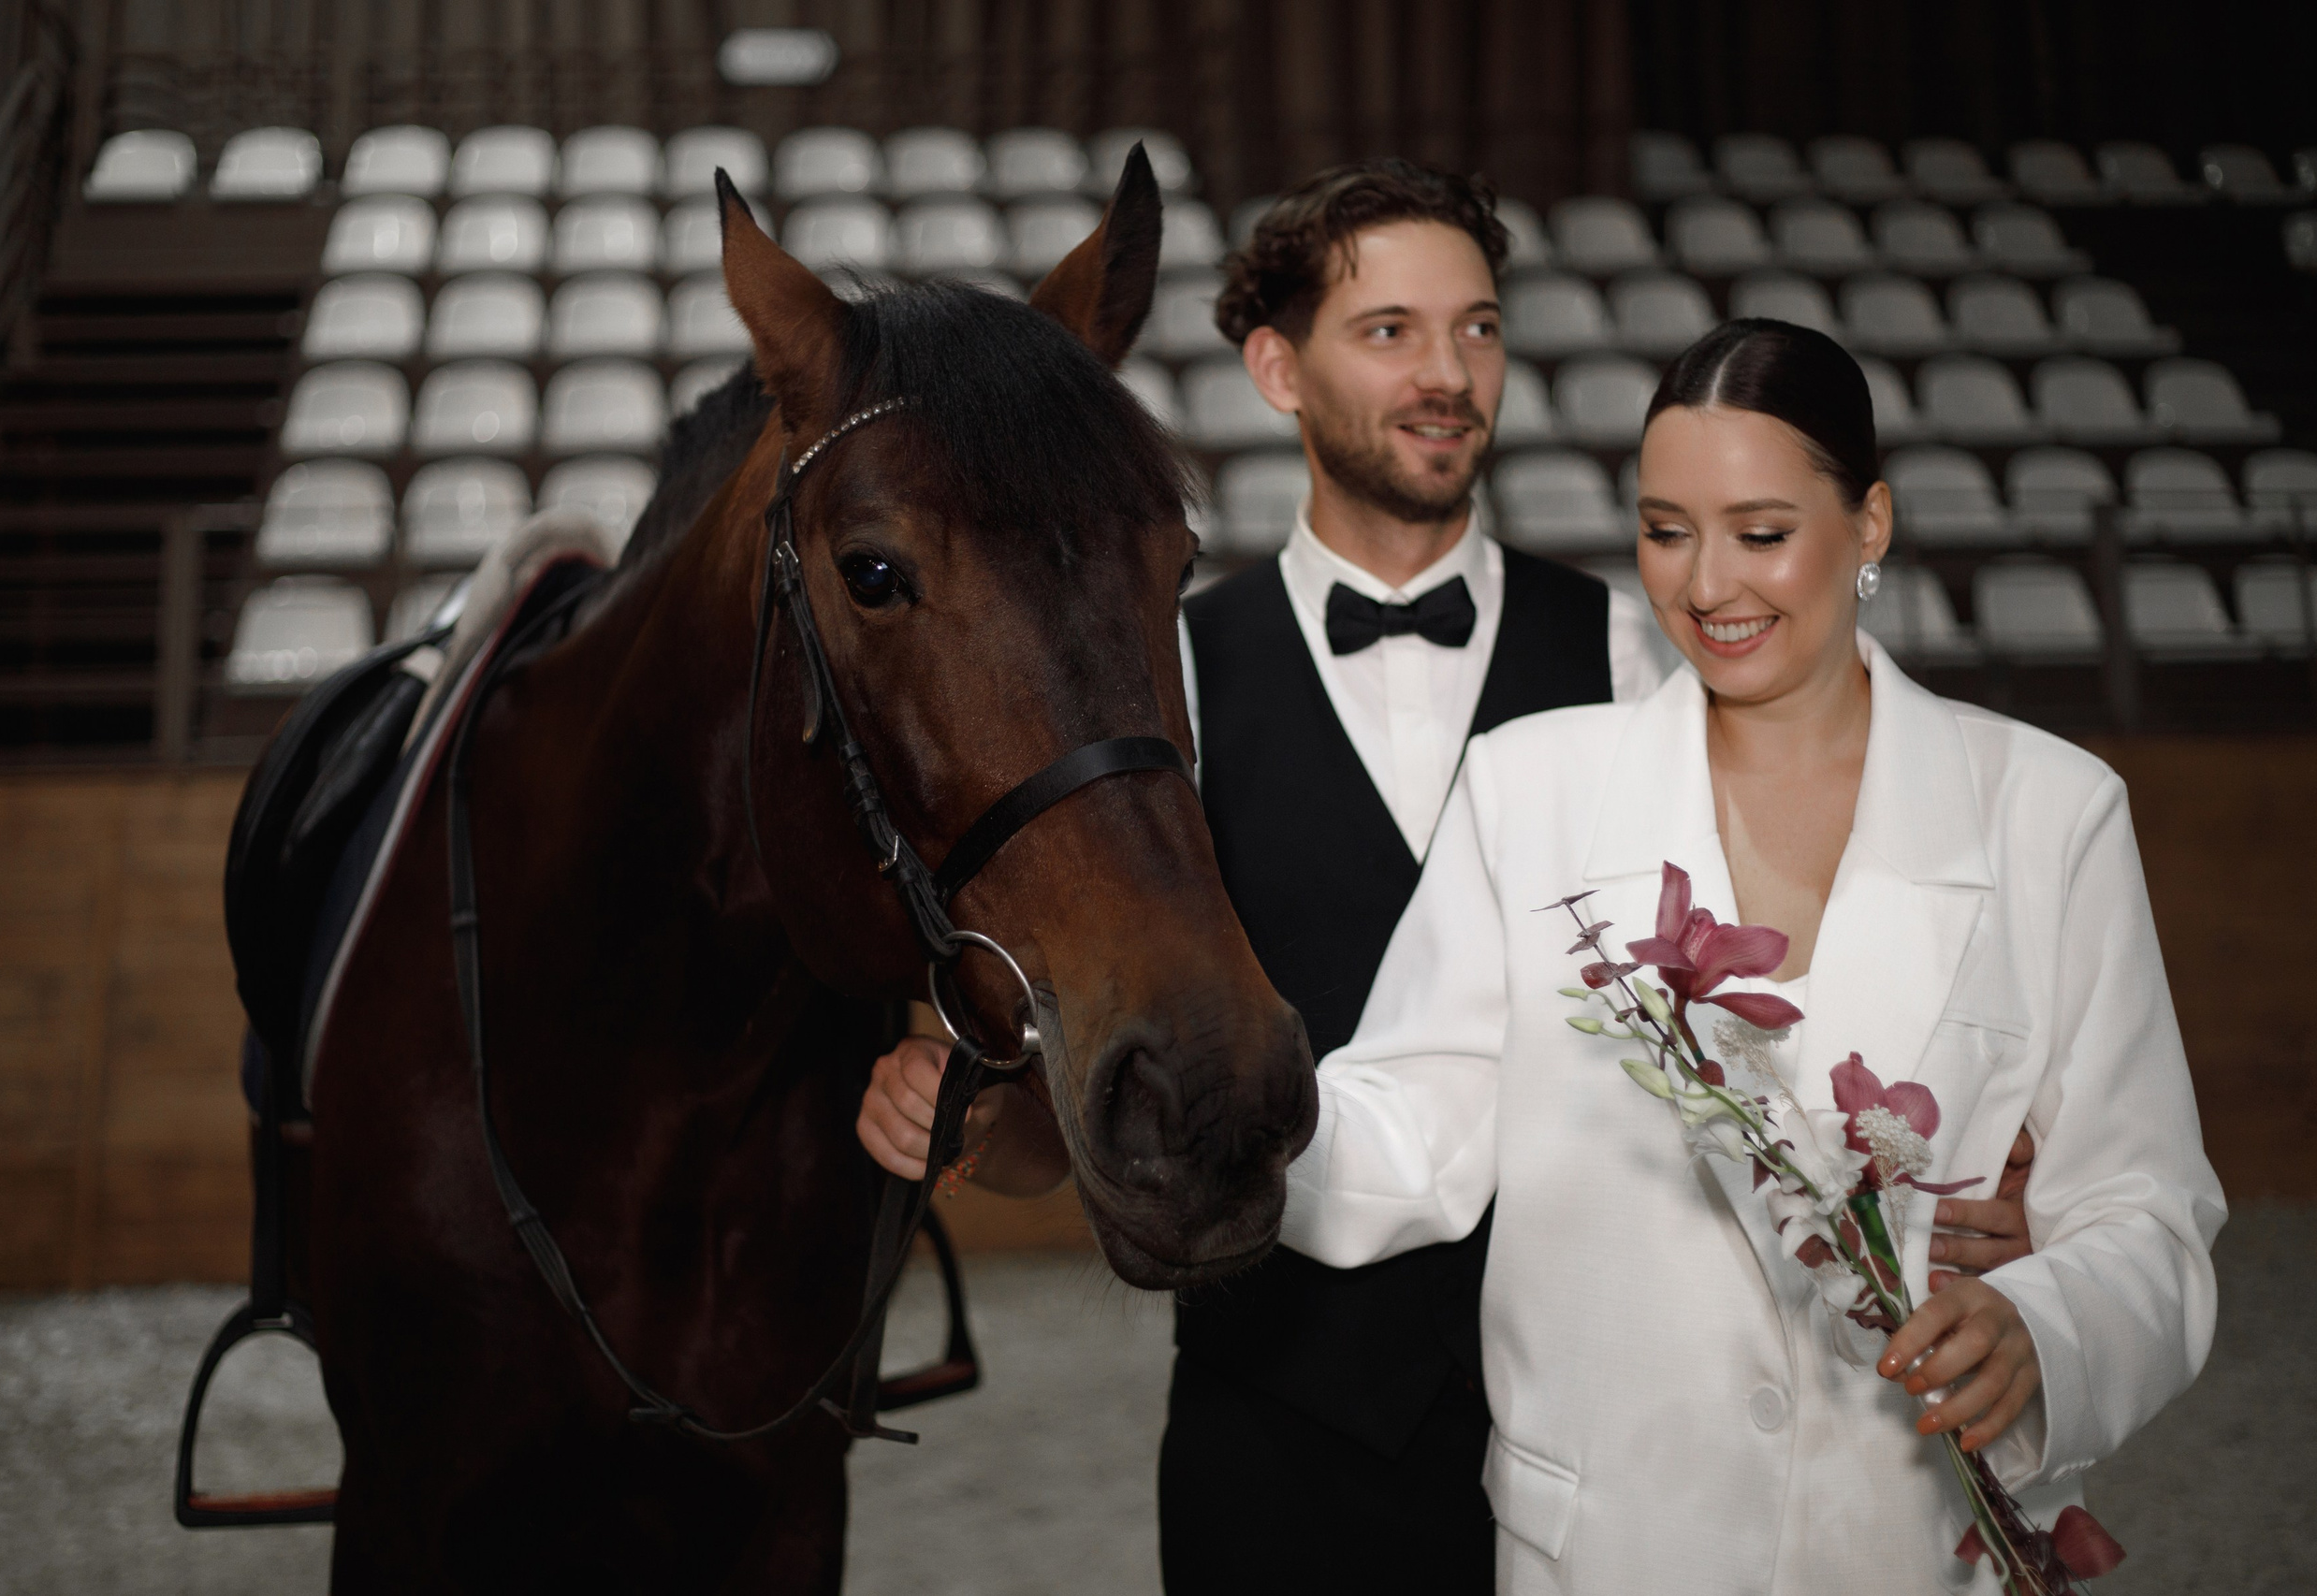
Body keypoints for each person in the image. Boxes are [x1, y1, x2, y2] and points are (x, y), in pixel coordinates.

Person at [857, 173, 2040, 1593]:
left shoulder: (1639, 653)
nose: (1445, 375)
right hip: (1269, 1421)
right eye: (1392, 331)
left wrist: (1937, 1176)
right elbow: (1083, 1099)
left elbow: (1763, 1004)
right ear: (1277, 367)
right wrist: (977, 1101)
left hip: (1594, 1424)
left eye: (1478, 329)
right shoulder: (1155, 677)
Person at [1278, 317, 2226, 1592]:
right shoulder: (1526, 790)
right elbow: (1405, 1132)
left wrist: (2041, 1328)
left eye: (1762, 533)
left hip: (1911, 1551)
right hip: (1610, 1551)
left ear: (1871, 524)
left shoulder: (2052, 812)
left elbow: (2147, 1215)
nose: (1706, 583)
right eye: (1666, 531)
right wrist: (1206, 1118)